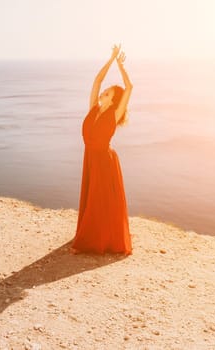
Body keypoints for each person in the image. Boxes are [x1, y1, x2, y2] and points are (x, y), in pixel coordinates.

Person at [71, 44, 133, 255]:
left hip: (104, 160)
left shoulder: (114, 115)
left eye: (107, 93)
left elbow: (129, 87)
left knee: (100, 201)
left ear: (113, 100)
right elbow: (97, 81)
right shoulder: (93, 109)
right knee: (92, 200)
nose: (102, 93)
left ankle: (94, 242)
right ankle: (90, 236)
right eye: (104, 92)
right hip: (90, 157)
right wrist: (111, 58)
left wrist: (120, 66)